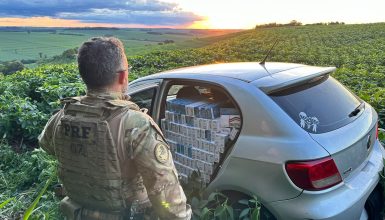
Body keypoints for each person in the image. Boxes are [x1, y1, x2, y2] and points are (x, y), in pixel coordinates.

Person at [38, 37, 191, 220]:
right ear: (122, 76)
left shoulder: (61, 117)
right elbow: (164, 194)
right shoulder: (137, 125)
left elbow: (47, 145)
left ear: (84, 75)